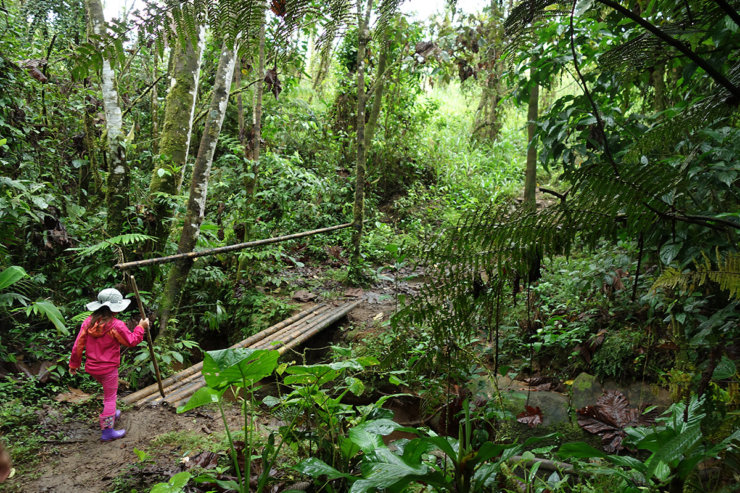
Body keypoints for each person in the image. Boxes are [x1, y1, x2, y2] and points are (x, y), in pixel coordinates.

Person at [69, 288, 149, 442]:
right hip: (108, 369)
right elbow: (131, 341)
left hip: (92, 369)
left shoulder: (88, 322)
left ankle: (110, 414)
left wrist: (74, 364)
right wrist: (141, 327)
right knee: (110, 398)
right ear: (115, 308)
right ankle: (107, 431)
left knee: (108, 395)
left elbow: (78, 345)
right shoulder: (116, 325)